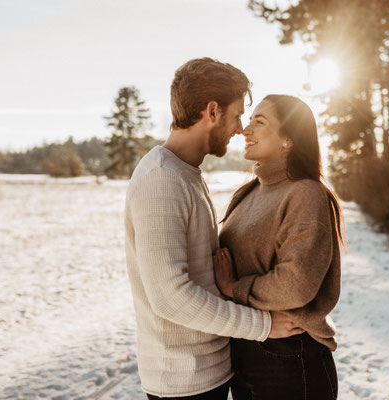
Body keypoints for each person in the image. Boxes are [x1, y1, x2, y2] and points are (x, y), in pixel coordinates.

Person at [124, 59, 302, 400]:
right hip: (183, 382)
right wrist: (263, 327)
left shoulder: (185, 173)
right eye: (237, 115)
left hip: (209, 373)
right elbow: (170, 298)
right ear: (212, 111)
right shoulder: (161, 180)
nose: (240, 128)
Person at [214, 94, 344, 400]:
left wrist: (234, 288)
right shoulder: (248, 193)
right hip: (249, 350)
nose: (246, 130)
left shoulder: (306, 194)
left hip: (290, 359)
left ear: (288, 140)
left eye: (259, 122)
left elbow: (296, 284)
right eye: (249, 120)